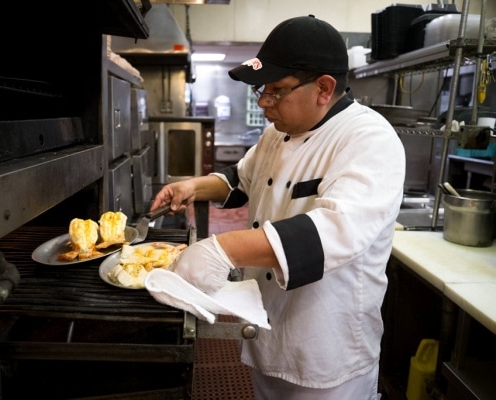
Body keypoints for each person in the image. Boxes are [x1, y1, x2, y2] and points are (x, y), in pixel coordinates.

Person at [150, 15, 405, 400]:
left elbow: (332, 232)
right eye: (262, 91)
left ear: (324, 88)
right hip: (268, 328)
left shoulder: (368, 139)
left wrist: (224, 248)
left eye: (277, 91)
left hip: (326, 350)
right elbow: (240, 179)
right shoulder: (278, 132)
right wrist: (193, 186)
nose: (265, 103)